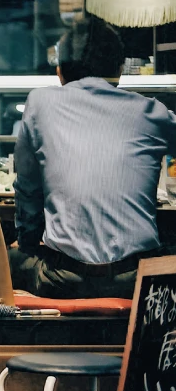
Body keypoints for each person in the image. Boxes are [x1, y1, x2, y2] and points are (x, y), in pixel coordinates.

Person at [10, 21, 176, 299]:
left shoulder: (40, 103)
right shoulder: (151, 112)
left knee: (9, 259)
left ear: (60, 73)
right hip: (136, 281)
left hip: (65, 279)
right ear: (120, 71)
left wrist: (28, 241)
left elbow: (27, 190)